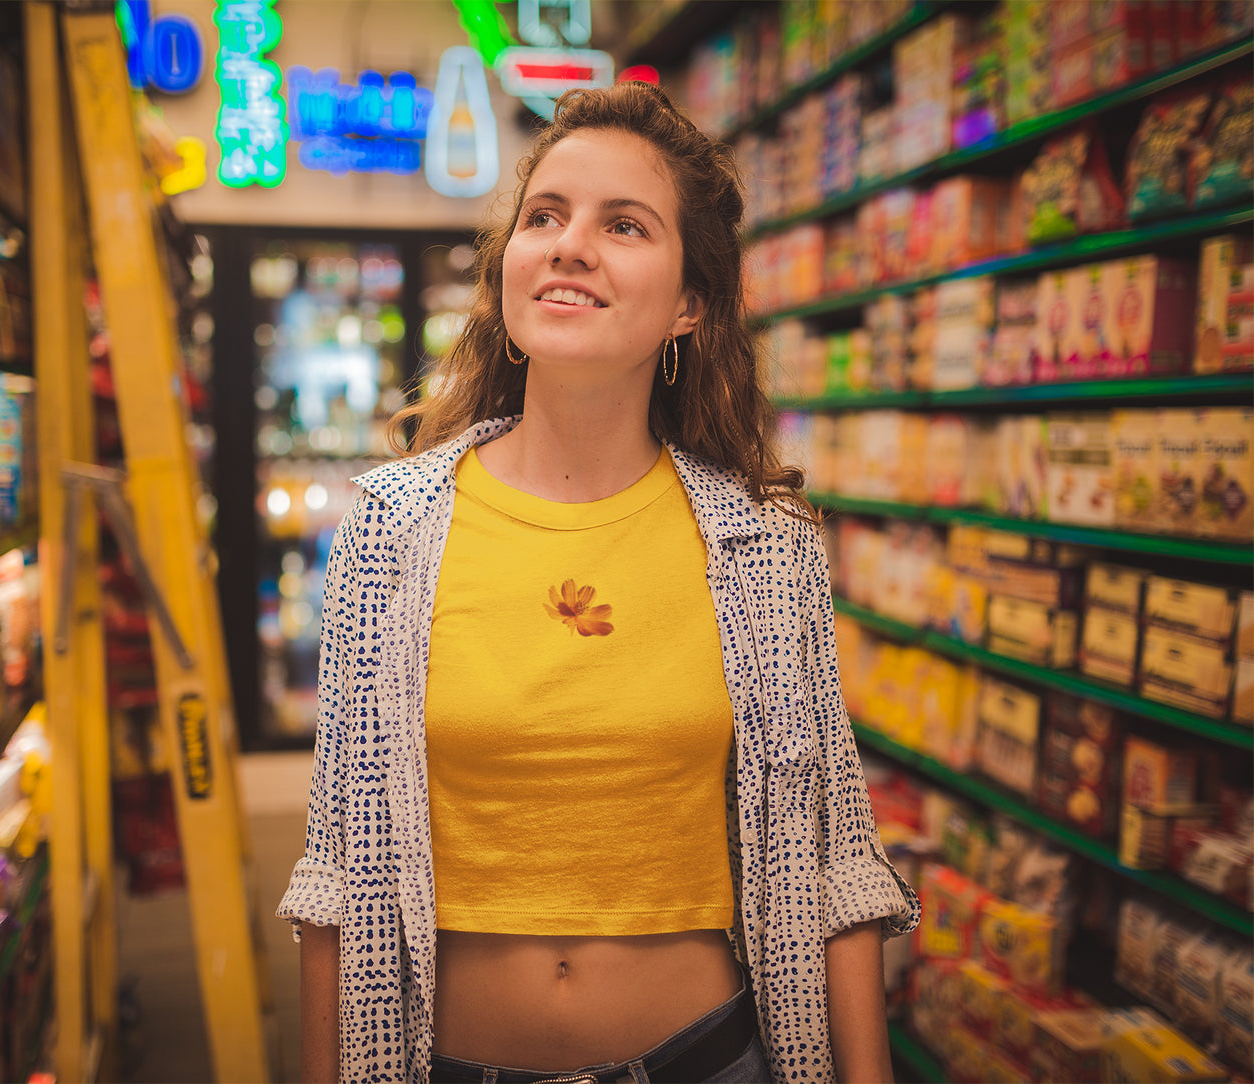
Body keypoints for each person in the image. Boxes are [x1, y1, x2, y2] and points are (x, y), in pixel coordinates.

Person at [279, 81, 919, 1084]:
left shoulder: (765, 545)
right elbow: (337, 865)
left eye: (623, 224)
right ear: (508, 270)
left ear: (689, 303)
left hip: (706, 1061)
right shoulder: (392, 529)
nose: (569, 244)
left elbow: (834, 857)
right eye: (545, 216)